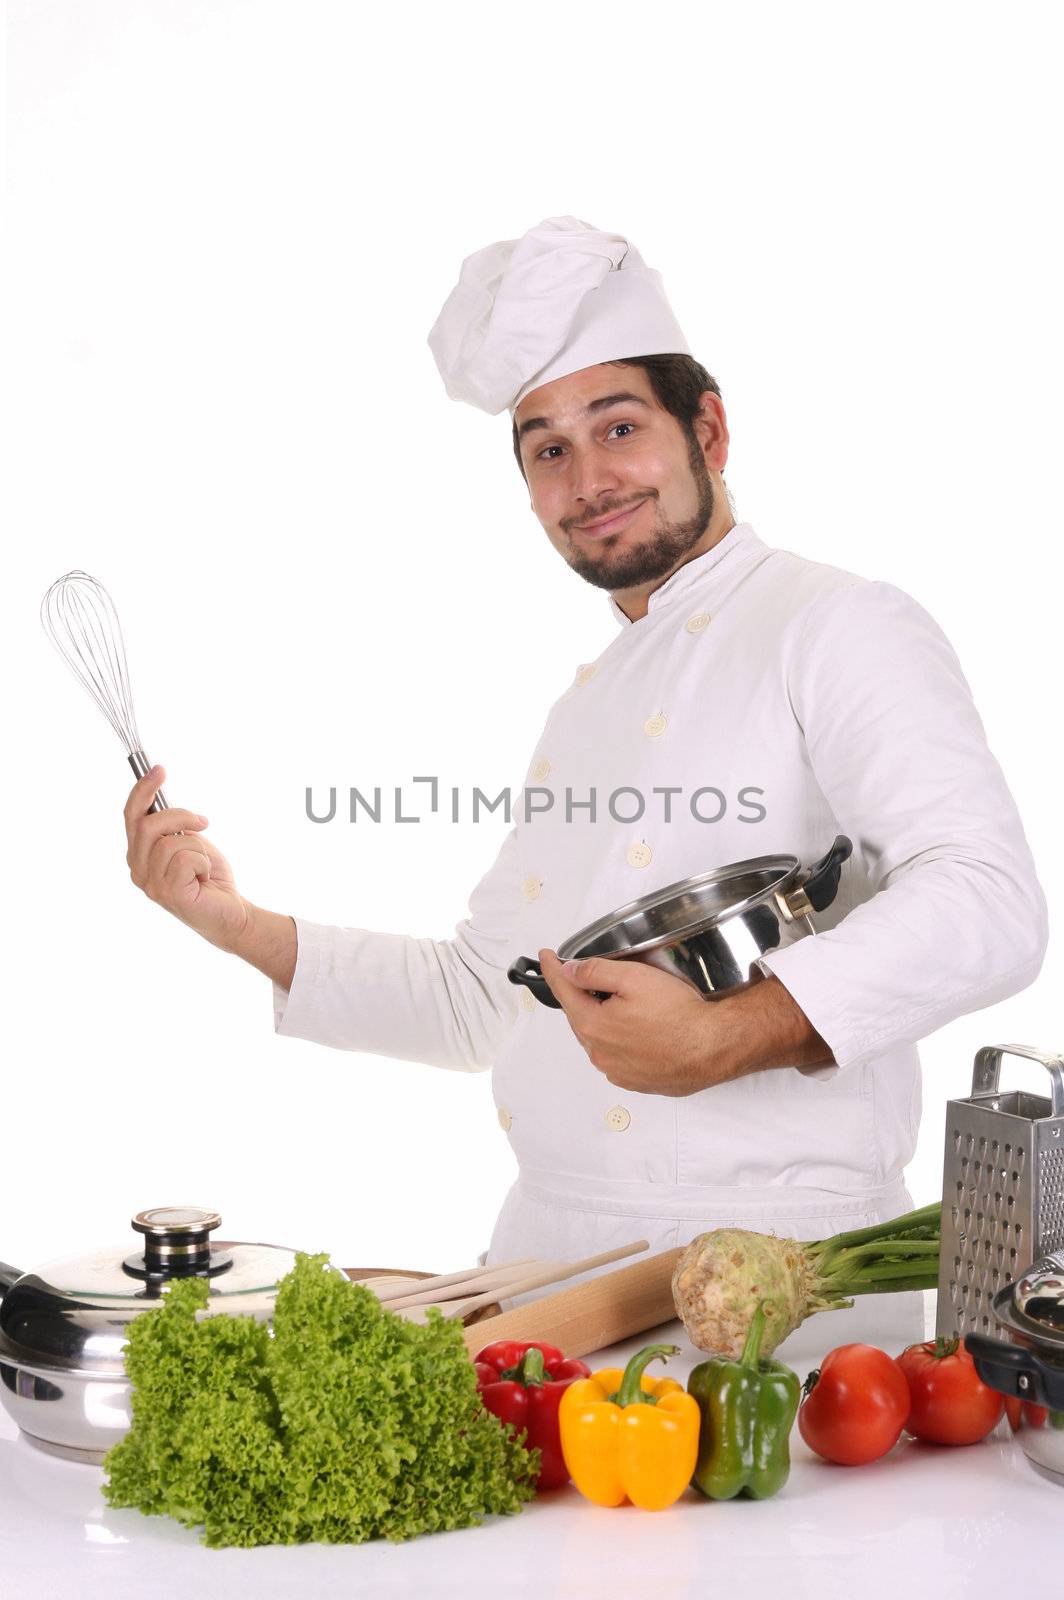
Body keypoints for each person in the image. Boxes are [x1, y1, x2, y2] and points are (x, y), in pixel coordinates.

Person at [123, 216, 1047, 1348]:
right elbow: (484, 999)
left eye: (617, 426)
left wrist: (732, 1032)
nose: (588, 479)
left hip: (770, 1295)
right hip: (546, 1275)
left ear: (706, 427)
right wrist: (231, 920)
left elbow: (987, 901)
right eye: (545, 448)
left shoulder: (833, 624)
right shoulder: (585, 704)